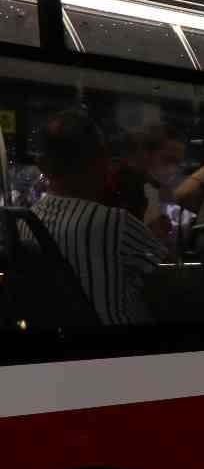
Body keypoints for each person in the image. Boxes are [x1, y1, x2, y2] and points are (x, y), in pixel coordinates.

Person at [29, 110, 163, 326]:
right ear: (102, 160)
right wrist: (156, 235)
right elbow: (169, 278)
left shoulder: (27, 221)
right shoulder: (114, 223)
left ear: (43, 165)